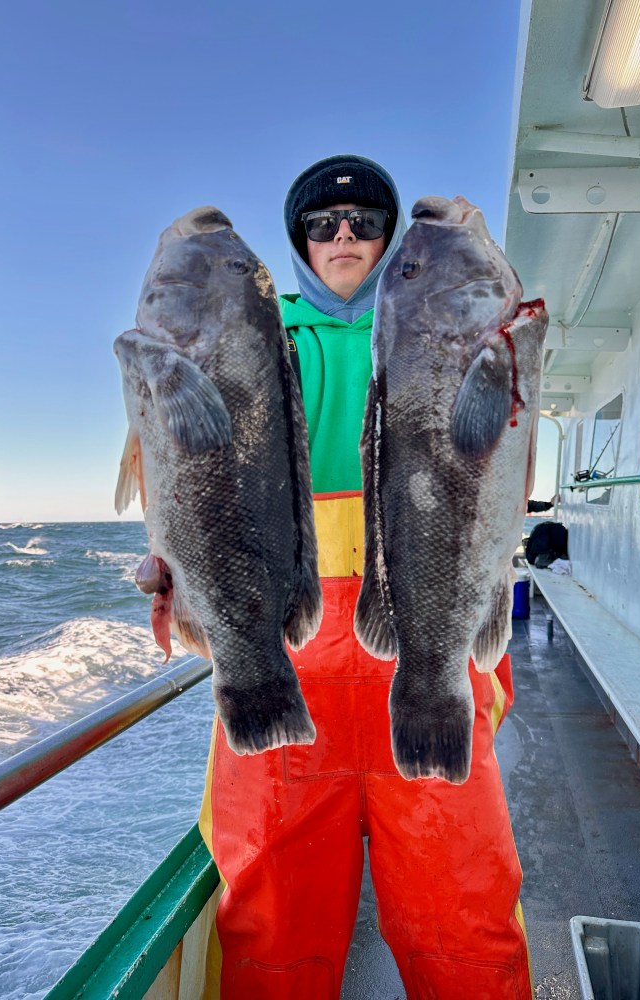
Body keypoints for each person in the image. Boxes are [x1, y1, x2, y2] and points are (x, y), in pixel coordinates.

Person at [198, 154, 533, 1000]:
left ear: (390, 241)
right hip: (290, 655)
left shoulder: (441, 321)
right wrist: (175, 557)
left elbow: (505, 435)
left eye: (363, 223)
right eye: (321, 224)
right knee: (273, 914)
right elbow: (202, 478)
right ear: (299, 243)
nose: (343, 235)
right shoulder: (256, 335)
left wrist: (472, 260)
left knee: (466, 902)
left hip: (427, 629)